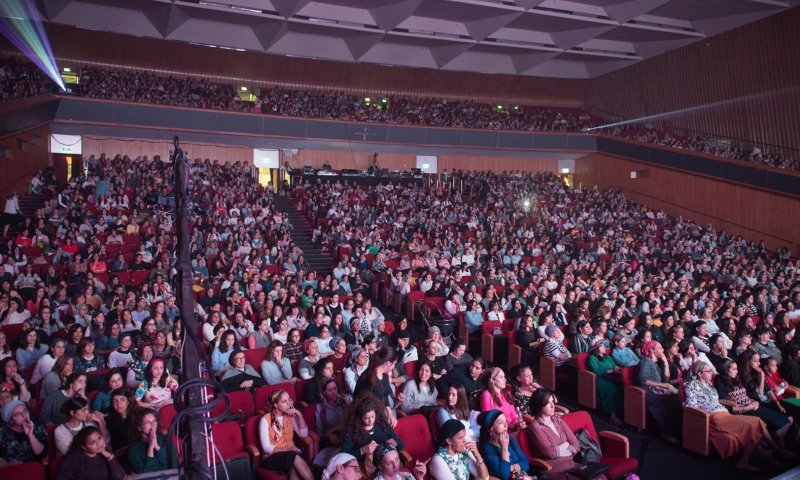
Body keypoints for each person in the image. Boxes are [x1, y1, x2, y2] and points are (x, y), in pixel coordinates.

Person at [683, 361, 766, 471]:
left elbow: (717, 400)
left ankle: (745, 461)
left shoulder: (708, 384)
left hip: (724, 412)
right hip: (713, 416)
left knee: (755, 424)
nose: (711, 373)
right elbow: (691, 405)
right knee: (756, 422)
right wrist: (705, 412)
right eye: (708, 371)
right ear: (699, 374)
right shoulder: (691, 385)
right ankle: (759, 455)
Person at [258, 389, 314, 480]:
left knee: (293, 466)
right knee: (293, 456)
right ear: (276, 405)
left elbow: (303, 434)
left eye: (289, 400)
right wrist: (289, 449)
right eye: (284, 401)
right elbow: (266, 447)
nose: (289, 404)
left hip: (290, 455)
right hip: (272, 457)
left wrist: (299, 415)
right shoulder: (265, 419)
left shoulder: (290, 416)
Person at [527, 389, 580, 480]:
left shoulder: (558, 420)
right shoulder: (535, 427)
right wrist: (567, 444)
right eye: (548, 403)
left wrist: (558, 450)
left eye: (552, 401)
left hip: (572, 465)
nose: (553, 406)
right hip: (556, 471)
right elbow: (550, 453)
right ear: (539, 405)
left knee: (599, 476)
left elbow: (576, 444)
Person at [637, 340, 682, 442]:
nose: (662, 350)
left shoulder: (655, 363)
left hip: (657, 389)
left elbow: (666, 379)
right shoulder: (646, 361)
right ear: (652, 350)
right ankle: (666, 432)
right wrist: (661, 385)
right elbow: (643, 380)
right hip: (648, 391)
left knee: (676, 400)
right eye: (659, 348)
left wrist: (665, 361)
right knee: (668, 402)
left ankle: (678, 430)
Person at [340, 393, 404, 461]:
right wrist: (362, 450)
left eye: (372, 416)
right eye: (366, 418)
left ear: (376, 413)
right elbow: (343, 456)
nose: (370, 420)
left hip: (386, 462)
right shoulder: (353, 431)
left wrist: (395, 443)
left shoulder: (382, 424)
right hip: (364, 467)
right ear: (359, 418)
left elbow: (401, 444)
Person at [55, 426, 126, 480]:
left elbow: (120, 477)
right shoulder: (73, 458)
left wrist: (110, 457)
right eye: (93, 443)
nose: (99, 444)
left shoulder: (105, 454)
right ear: (84, 447)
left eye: (99, 438)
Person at [477, 409, 531, 480]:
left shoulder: (510, 439)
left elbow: (526, 463)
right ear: (491, 428)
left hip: (523, 476)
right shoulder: (487, 448)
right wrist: (504, 448)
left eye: (505, 421)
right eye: (501, 422)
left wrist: (512, 467)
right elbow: (504, 475)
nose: (506, 425)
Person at [354, 347, 400, 426]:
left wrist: (390, 413)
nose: (394, 367)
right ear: (388, 363)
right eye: (394, 364)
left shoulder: (384, 375)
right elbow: (362, 406)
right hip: (368, 420)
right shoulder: (367, 379)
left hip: (379, 415)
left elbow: (384, 396)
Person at [126, 408, 178, 473]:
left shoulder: (165, 440)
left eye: (154, 421)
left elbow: (174, 465)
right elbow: (145, 474)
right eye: (148, 422)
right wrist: (150, 447)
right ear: (139, 427)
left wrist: (156, 446)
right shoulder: (133, 450)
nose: (153, 424)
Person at [586, 340, 623, 425]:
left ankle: (621, 412)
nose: (605, 348)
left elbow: (615, 366)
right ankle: (612, 415)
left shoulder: (607, 357)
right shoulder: (592, 358)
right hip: (599, 379)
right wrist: (611, 370)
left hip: (612, 377)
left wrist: (620, 369)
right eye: (602, 346)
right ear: (596, 348)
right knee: (612, 389)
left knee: (622, 387)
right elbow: (597, 370)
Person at [0, 400, 47, 464]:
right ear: (11, 420)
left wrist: (30, 435)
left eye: (25, 411)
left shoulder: (38, 427)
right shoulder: (3, 433)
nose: (24, 415)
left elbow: (41, 454)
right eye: (18, 414)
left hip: (34, 469)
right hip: (12, 469)